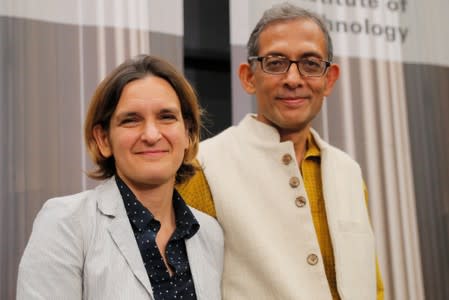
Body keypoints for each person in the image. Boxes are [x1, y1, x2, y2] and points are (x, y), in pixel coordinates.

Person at [177, 2, 384, 300]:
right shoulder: (204, 167)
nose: (293, 79)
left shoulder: (348, 171)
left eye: (311, 64)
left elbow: (372, 286)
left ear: (329, 79)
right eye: (275, 63)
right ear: (249, 77)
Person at [17, 55, 223, 300]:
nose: (151, 134)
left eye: (166, 117)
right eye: (131, 120)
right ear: (104, 139)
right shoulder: (66, 223)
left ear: (188, 133)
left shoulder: (209, 233)